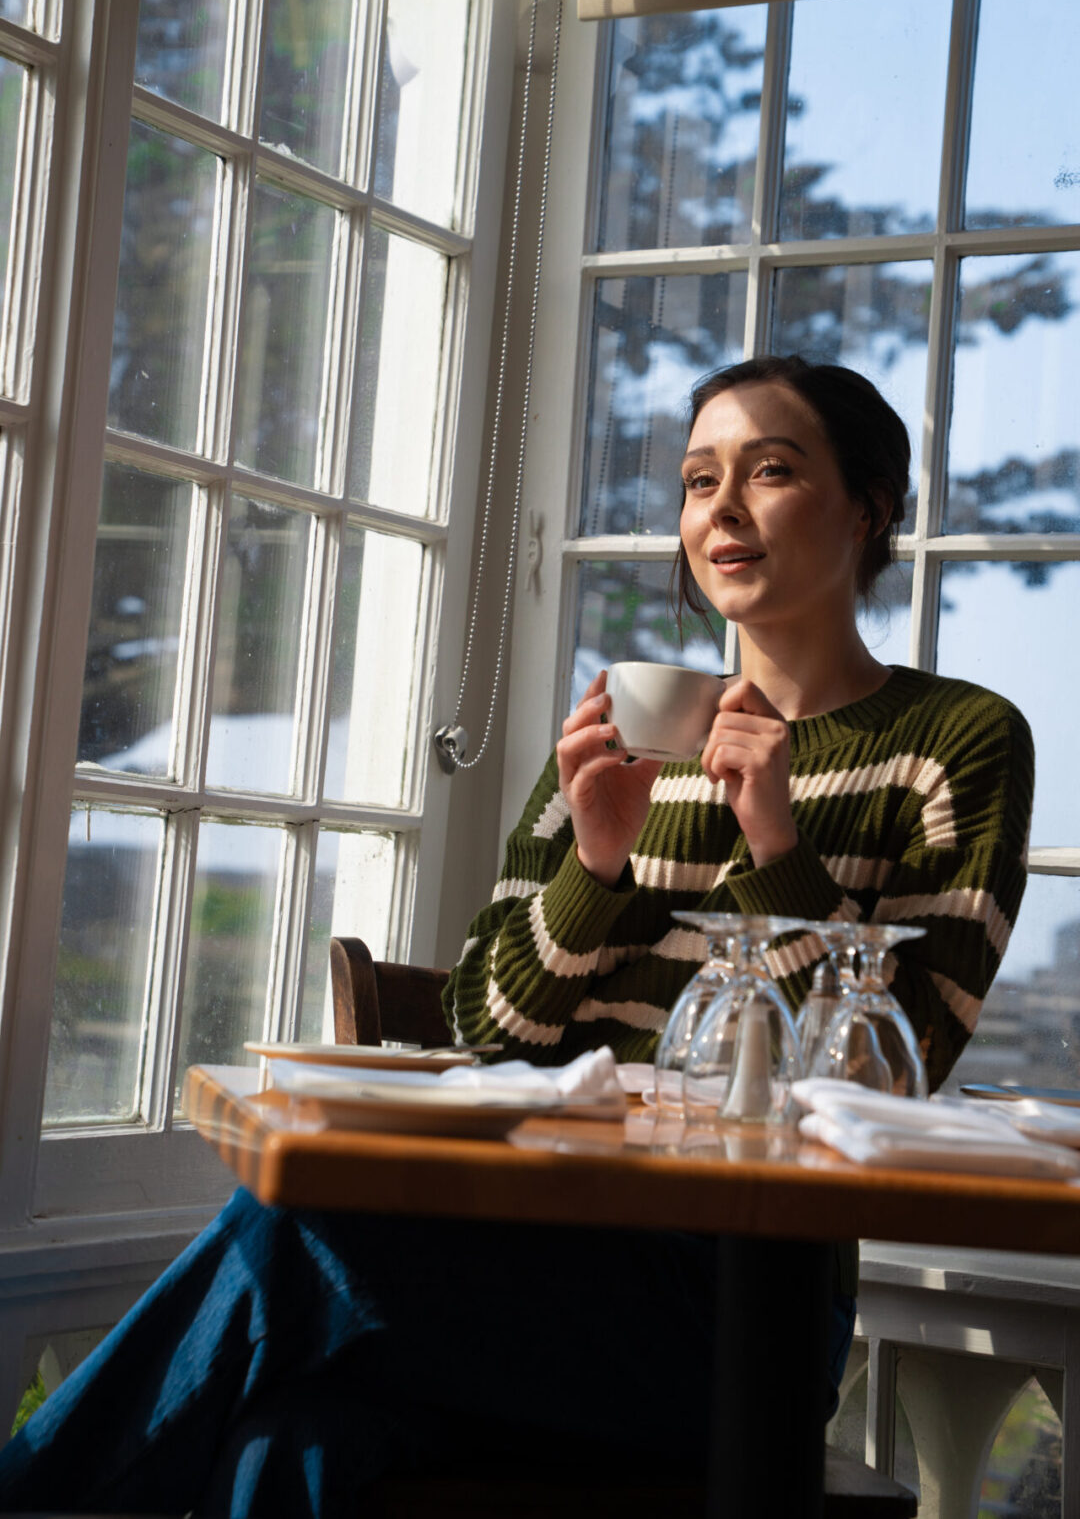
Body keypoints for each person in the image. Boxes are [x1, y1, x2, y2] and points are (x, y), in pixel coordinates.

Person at [0, 356, 1033, 1518]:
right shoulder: (627, 738)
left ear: (869, 507)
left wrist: (776, 840)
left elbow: (895, 1072)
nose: (722, 510)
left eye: (772, 471)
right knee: (292, 1442)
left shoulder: (960, 739)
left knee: (303, 1230)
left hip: (738, 1318)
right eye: (699, 482)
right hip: (509, 1254)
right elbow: (482, 1024)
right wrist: (594, 863)